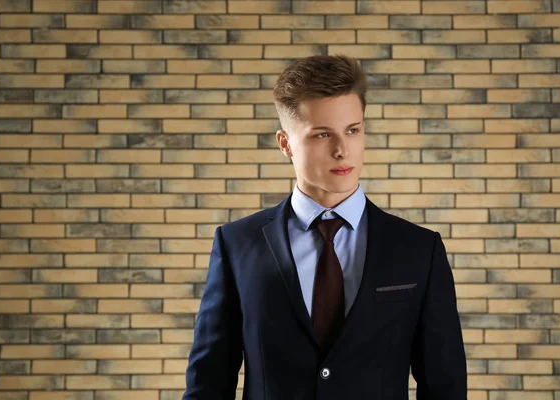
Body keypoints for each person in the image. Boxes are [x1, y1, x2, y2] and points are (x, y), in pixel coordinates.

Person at [182, 54, 467, 400]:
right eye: (321, 135)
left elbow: (445, 386)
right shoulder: (237, 245)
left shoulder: (420, 249)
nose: (342, 150)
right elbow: (208, 384)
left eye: (353, 130)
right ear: (285, 144)